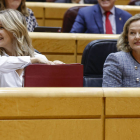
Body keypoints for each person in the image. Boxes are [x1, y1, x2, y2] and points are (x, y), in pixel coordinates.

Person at [0, 9, 64, 87]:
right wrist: (32, 60)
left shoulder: (39, 58)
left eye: (1, 27)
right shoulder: (36, 60)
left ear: (15, 30)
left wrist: (58, 70)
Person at [102, 14, 140, 87]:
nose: (137, 37)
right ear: (127, 37)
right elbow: (111, 96)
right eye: (132, 33)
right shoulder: (117, 60)